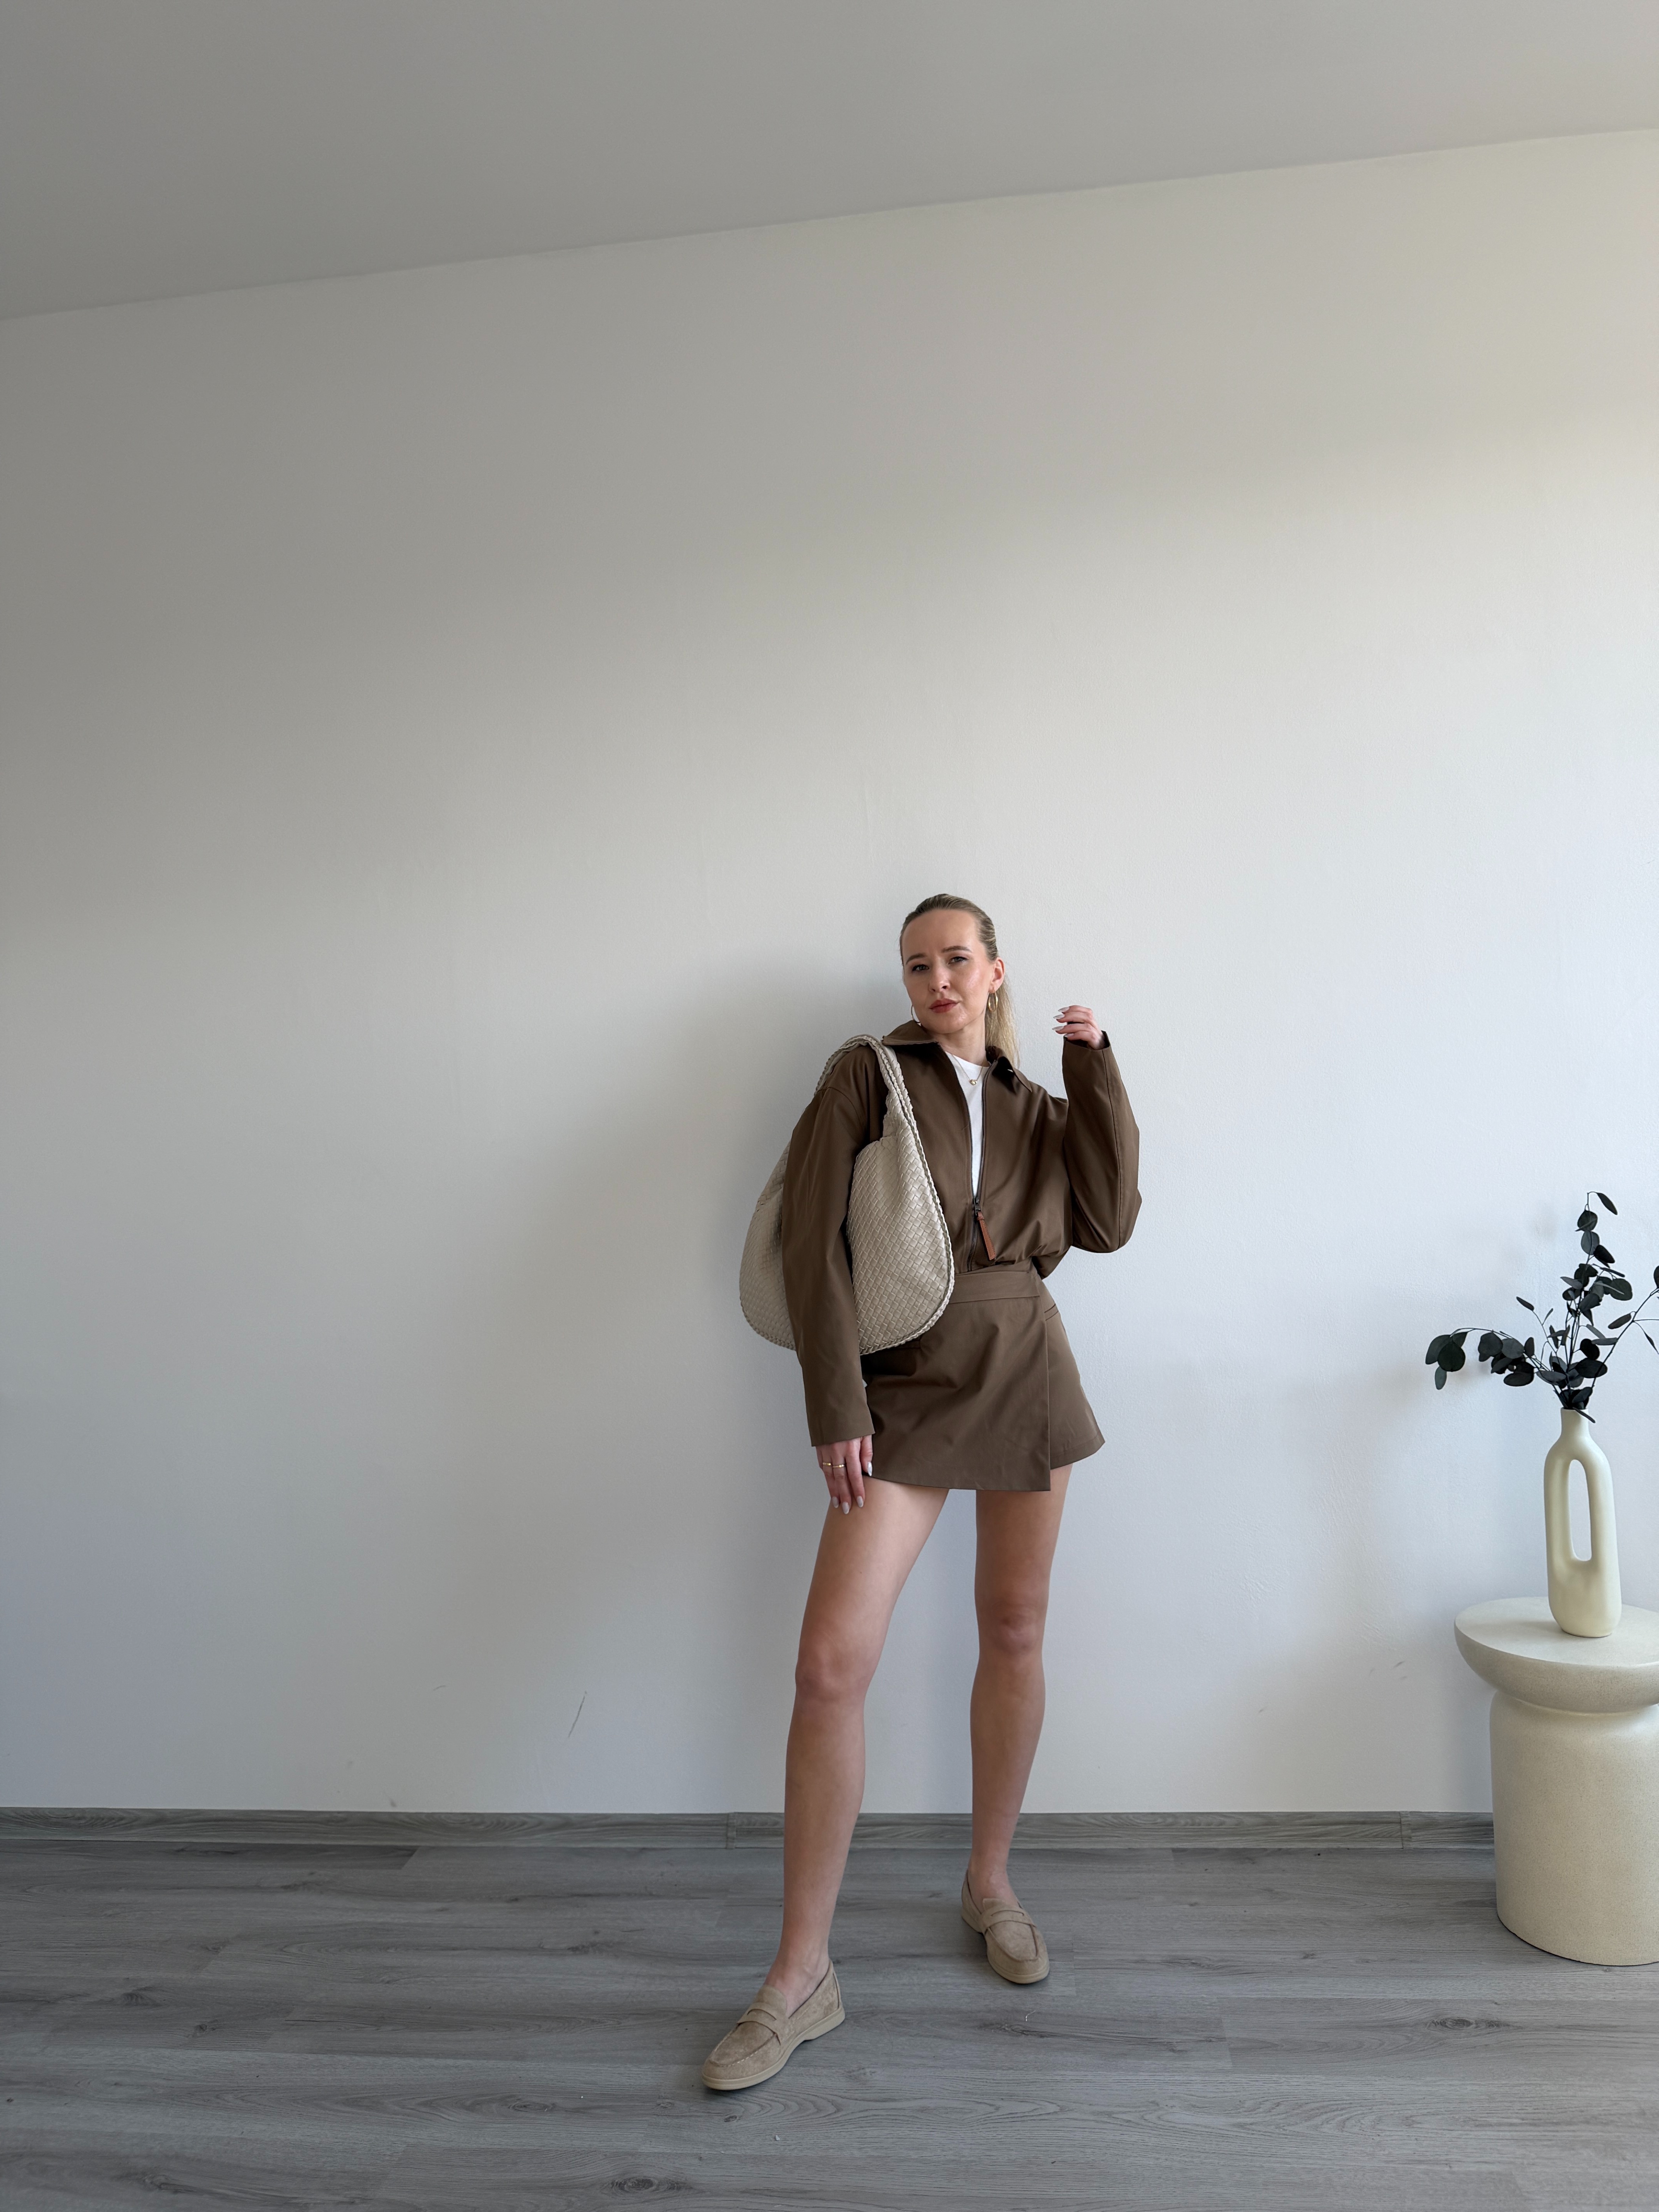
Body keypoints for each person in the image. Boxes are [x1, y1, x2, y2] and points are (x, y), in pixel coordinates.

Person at [701, 893, 1141, 2092]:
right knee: (828, 1668)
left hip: (1027, 1368)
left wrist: (1095, 1069)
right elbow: (810, 1242)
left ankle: (988, 1884)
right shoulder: (867, 1073)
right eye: (915, 965)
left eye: (955, 959)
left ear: (993, 970)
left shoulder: (1037, 1102)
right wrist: (835, 1404)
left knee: (1015, 1630)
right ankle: (800, 1975)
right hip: (900, 1383)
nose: (935, 980)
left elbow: (1107, 1222)